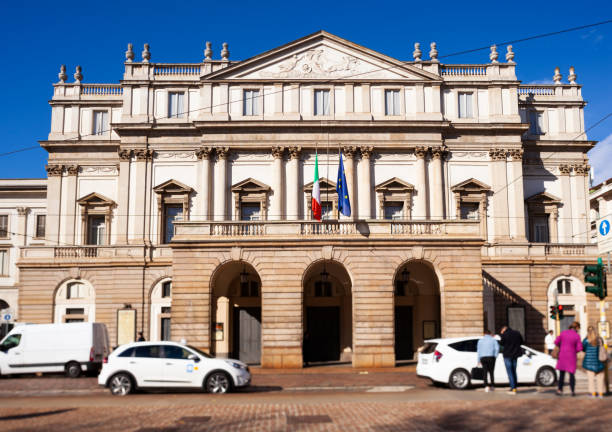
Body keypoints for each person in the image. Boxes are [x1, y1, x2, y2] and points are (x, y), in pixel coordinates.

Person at [555, 321, 583, 396]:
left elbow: (556, 341)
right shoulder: (577, 336)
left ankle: (559, 390)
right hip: (571, 357)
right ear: (577, 328)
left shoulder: (563, 333)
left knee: (561, 375)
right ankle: (572, 391)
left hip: (562, 355)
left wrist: (562, 346)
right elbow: (580, 348)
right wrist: (574, 350)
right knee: (571, 375)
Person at [582, 325, 605, 398]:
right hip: (599, 362)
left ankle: (593, 393)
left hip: (589, 363)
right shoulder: (599, 339)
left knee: (591, 379)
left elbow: (583, 349)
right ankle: (600, 393)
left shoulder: (586, 340)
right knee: (600, 378)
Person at [500, 325, 523, 394]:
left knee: (510, 372)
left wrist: (502, 335)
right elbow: (521, 342)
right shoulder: (517, 333)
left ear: (504, 329)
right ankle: (514, 387)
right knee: (514, 371)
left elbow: (501, 343)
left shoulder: (505, 334)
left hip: (507, 355)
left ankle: (513, 388)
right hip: (515, 355)